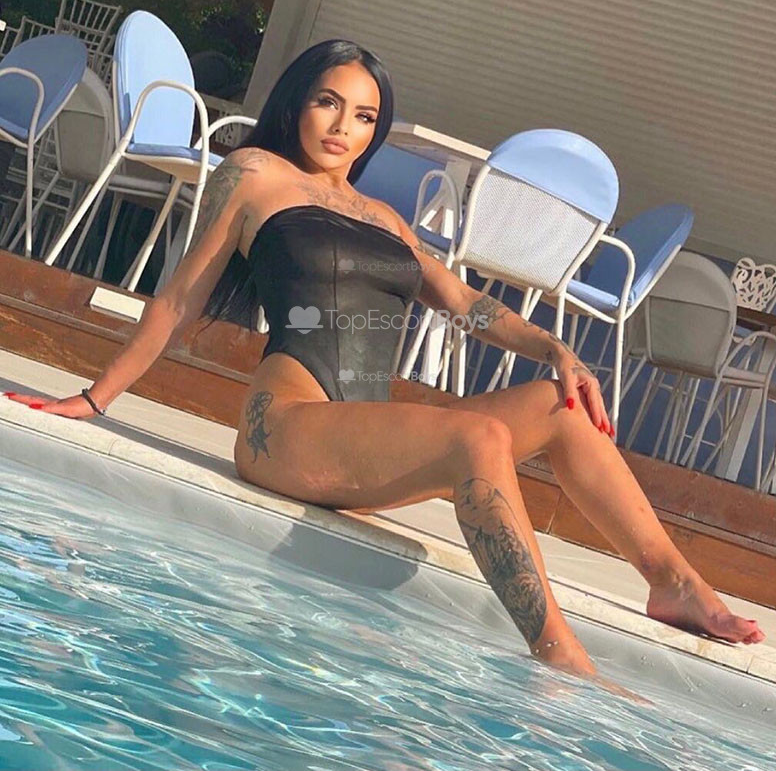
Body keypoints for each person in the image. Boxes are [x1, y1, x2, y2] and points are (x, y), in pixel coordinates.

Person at [9, 39, 764, 683]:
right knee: (477, 438)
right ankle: (561, 658)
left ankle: (673, 582)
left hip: (361, 442)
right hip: (289, 428)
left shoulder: (386, 219)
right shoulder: (254, 175)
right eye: (329, 103)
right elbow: (178, 300)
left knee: (560, 405)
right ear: (296, 103)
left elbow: (463, 301)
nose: (344, 127)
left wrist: (553, 347)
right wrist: (95, 398)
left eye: (365, 116)